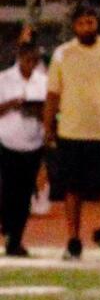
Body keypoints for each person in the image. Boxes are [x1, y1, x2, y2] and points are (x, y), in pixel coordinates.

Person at [44, 2, 100, 259]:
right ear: (74, 26)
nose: (87, 27)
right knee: (72, 190)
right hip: (71, 130)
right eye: (82, 22)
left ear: (98, 23)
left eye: (91, 22)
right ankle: (73, 240)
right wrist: (48, 125)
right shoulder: (62, 54)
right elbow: (52, 94)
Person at [0, 40, 47, 256]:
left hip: (33, 143)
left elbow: (49, 110)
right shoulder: (4, 79)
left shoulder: (42, 80)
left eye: (34, 60)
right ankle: (8, 227)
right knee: (8, 191)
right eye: (28, 59)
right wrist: (12, 104)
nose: (31, 64)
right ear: (20, 58)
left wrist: (39, 111)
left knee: (25, 194)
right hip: (8, 141)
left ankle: (15, 239)